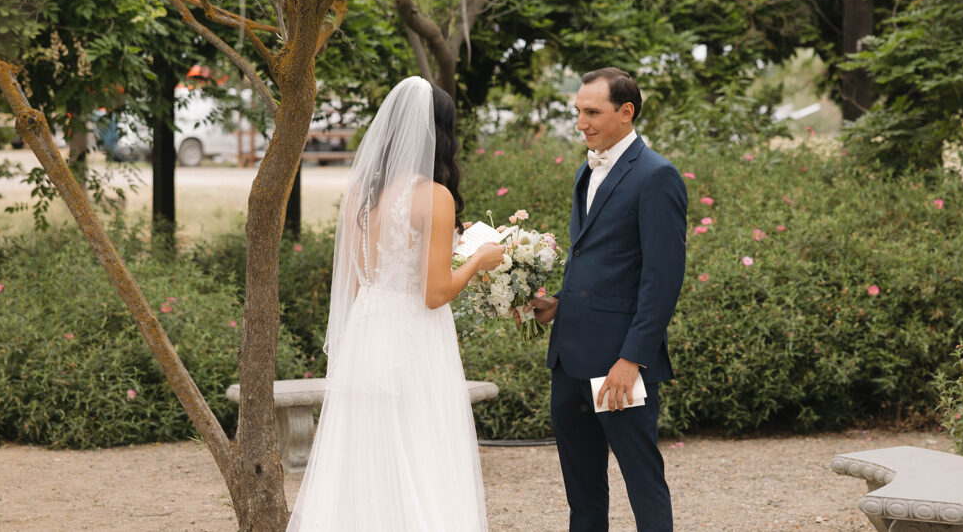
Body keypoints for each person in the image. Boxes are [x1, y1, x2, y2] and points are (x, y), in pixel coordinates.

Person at [287, 76, 504, 531]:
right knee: (420, 444)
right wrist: (480, 260)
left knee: (365, 448)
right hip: (414, 335)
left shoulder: (363, 193)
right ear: (440, 134)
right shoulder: (434, 197)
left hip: (368, 328)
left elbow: (353, 283)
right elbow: (434, 294)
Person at [527, 67, 687, 531]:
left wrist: (631, 359)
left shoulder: (657, 176)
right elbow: (596, 262)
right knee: (582, 491)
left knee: (643, 483)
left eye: (592, 112)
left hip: (619, 364)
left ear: (626, 111)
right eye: (578, 111)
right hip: (569, 358)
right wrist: (558, 303)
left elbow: (662, 280)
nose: (581, 122)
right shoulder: (586, 168)